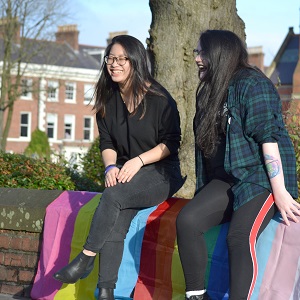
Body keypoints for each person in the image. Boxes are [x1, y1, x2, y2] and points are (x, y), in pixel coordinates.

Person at [53, 35, 185, 300]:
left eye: (122, 59)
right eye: (110, 58)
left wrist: (137, 161)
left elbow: (171, 143)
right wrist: (110, 166)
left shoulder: (159, 99)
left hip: (161, 172)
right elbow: (107, 141)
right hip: (127, 173)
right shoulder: (108, 97)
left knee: (112, 196)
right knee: (116, 216)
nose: (114, 64)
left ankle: (86, 257)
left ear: (135, 61)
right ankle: (105, 290)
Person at [176, 29, 299, 300]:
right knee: (187, 220)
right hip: (227, 178)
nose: (197, 58)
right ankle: (197, 296)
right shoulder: (208, 91)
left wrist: (280, 191)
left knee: (239, 237)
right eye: (197, 52)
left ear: (220, 53)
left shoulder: (252, 84)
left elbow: (269, 139)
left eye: (202, 52)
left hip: (259, 178)